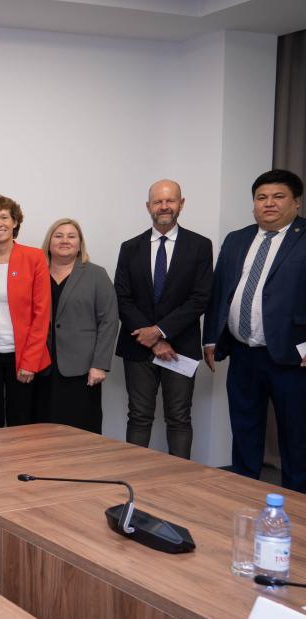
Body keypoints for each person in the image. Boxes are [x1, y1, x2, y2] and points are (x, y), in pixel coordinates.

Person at [203, 168, 306, 491]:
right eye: (261, 198)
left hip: (292, 356)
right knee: (244, 429)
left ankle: (296, 502)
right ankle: (245, 492)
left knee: (296, 435)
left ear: (296, 203)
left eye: (278, 197)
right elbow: (219, 292)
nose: (269, 204)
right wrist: (210, 339)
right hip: (243, 353)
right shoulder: (237, 239)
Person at [114, 179, 212, 459]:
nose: (164, 206)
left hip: (181, 346)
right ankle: (133, 482)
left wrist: (160, 331)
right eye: (158, 201)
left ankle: (179, 483)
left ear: (181, 204)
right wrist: (153, 340)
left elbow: (200, 298)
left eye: (170, 200)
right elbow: (121, 297)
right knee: (139, 416)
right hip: (138, 346)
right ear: (148, 207)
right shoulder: (130, 247)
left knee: (179, 418)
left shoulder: (200, 246)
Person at [34, 219, 118, 433]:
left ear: (80, 244)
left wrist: (99, 364)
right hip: (41, 367)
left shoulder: (96, 274)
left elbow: (109, 320)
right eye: (58, 235)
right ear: (49, 242)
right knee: (41, 431)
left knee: (81, 431)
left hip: (82, 370)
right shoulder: (36, 272)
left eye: (71, 236)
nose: (65, 240)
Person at [0, 194, 51, 428]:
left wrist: (30, 361)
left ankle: (21, 467)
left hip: (21, 356)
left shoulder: (34, 257)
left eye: (4, 217)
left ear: (15, 221)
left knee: (22, 422)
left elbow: (42, 314)